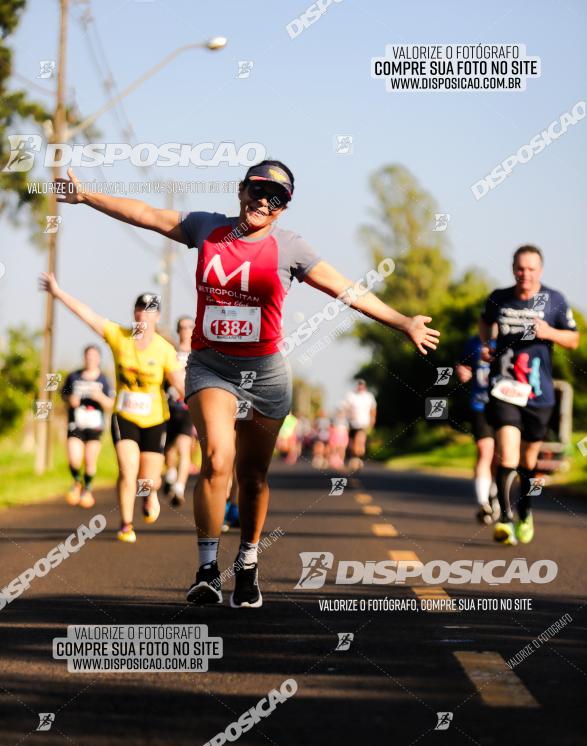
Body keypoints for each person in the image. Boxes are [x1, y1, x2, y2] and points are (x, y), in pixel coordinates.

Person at [56, 160, 439, 607]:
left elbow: (347, 291)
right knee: (218, 460)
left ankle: (249, 562)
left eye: (276, 198)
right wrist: (87, 197)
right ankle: (206, 570)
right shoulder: (206, 229)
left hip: (266, 374)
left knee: (253, 476)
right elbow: (145, 214)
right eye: (257, 190)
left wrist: (403, 322)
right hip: (211, 367)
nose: (263, 201)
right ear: (241, 191)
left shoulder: (290, 247)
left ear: (284, 209)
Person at [39, 275, 185, 543]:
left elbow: (180, 383)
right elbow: (87, 315)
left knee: (148, 479)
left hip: (154, 419)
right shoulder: (119, 337)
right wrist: (58, 292)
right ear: (134, 313)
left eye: (149, 311)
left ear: (156, 317)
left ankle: (149, 494)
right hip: (125, 416)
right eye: (139, 309)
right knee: (127, 469)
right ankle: (126, 525)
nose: (143, 315)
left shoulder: (164, 350)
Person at [480, 245, 579, 545]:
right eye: (520, 268)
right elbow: (484, 323)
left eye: (531, 269)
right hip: (505, 388)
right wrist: (487, 345)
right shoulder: (499, 297)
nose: (525, 274)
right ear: (513, 269)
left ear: (540, 270)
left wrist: (550, 333)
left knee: (529, 463)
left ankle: (526, 510)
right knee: (507, 455)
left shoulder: (555, 300)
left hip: (539, 394)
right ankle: (506, 520)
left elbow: (573, 339)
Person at [61, 345, 114, 508]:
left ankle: (88, 490)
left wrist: (100, 397)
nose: (90, 359)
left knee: (90, 460)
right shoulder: (73, 377)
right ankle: (77, 482)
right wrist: (71, 400)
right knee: (74, 459)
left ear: (98, 359)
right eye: (87, 356)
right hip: (75, 424)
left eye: (93, 356)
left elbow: (111, 404)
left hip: (95, 426)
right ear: (84, 357)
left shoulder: (104, 379)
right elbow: (64, 396)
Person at [455, 336, 499, 524]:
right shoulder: (474, 342)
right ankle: (483, 502)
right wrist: (462, 370)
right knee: (485, 451)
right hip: (480, 405)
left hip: (508, 405)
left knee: (501, 457)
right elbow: (462, 363)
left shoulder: (514, 338)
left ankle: (495, 495)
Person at [163, 315, 195, 507]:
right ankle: (170, 473)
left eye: (190, 327)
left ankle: (179, 488)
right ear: (178, 330)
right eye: (182, 327)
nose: (186, 330)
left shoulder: (200, 354)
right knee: (168, 449)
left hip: (188, 407)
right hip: (168, 406)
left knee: (184, 448)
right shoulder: (170, 353)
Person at [342, 379, 377, 468]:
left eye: (362, 385)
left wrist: (372, 420)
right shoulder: (351, 396)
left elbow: (373, 409)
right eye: (359, 385)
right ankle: (354, 457)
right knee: (352, 443)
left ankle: (358, 458)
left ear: (364, 386)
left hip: (363, 423)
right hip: (352, 423)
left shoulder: (369, 396)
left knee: (360, 440)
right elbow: (345, 409)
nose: (360, 386)